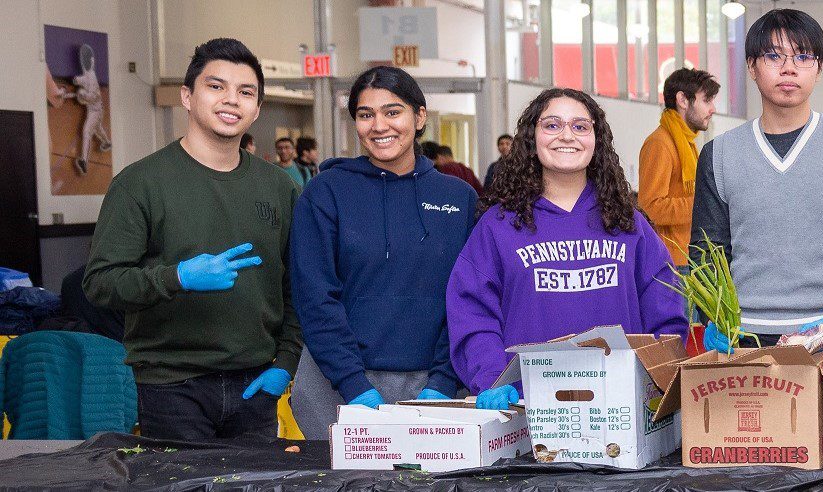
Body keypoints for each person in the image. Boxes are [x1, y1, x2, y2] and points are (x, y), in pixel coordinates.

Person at [83, 38, 300, 440]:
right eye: (216, 86)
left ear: (257, 109)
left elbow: (297, 286)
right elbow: (100, 283)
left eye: (245, 92)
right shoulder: (140, 183)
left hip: (257, 384)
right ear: (187, 96)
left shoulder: (280, 188)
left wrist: (285, 362)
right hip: (171, 386)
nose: (231, 100)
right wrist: (177, 277)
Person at [448, 88, 688, 409]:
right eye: (551, 125)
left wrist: (655, 375)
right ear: (532, 139)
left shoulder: (629, 224)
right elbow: (473, 314)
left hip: (618, 405)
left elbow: (666, 312)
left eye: (579, 126)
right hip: (525, 409)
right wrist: (491, 377)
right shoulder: (497, 226)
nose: (566, 135)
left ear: (595, 140)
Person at [289, 66, 477, 436]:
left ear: (419, 116)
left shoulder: (459, 198)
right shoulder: (325, 193)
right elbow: (314, 295)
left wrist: (442, 381)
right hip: (338, 383)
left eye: (393, 112)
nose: (379, 126)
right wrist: (353, 384)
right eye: (365, 114)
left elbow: (467, 299)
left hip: (435, 384)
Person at [690, 9, 823, 344]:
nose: (789, 67)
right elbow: (707, 252)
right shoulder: (719, 154)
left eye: (803, 56)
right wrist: (714, 317)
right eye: (773, 55)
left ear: (819, 68)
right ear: (752, 67)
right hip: (743, 337)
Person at [640, 68, 720, 266]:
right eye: (707, 100)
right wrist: (704, 202)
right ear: (683, 100)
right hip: (672, 263)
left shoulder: (687, 143)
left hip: (690, 257)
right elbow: (649, 209)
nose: (713, 109)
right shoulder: (660, 143)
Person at [51, 44, 108, 176]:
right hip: (93, 110)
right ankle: (106, 142)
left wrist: (81, 95)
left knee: (87, 131)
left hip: (96, 111)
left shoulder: (92, 79)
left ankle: (83, 160)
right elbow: (79, 83)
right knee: (98, 130)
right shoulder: (89, 75)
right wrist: (68, 92)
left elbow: (91, 97)